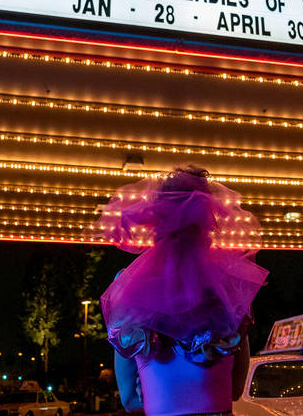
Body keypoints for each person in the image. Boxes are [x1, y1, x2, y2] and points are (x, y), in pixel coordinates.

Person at [94, 165, 268, 416]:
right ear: (208, 220)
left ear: (157, 220)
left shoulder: (131, 287)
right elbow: (235, 389)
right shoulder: (229, 287)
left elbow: (129, 398)